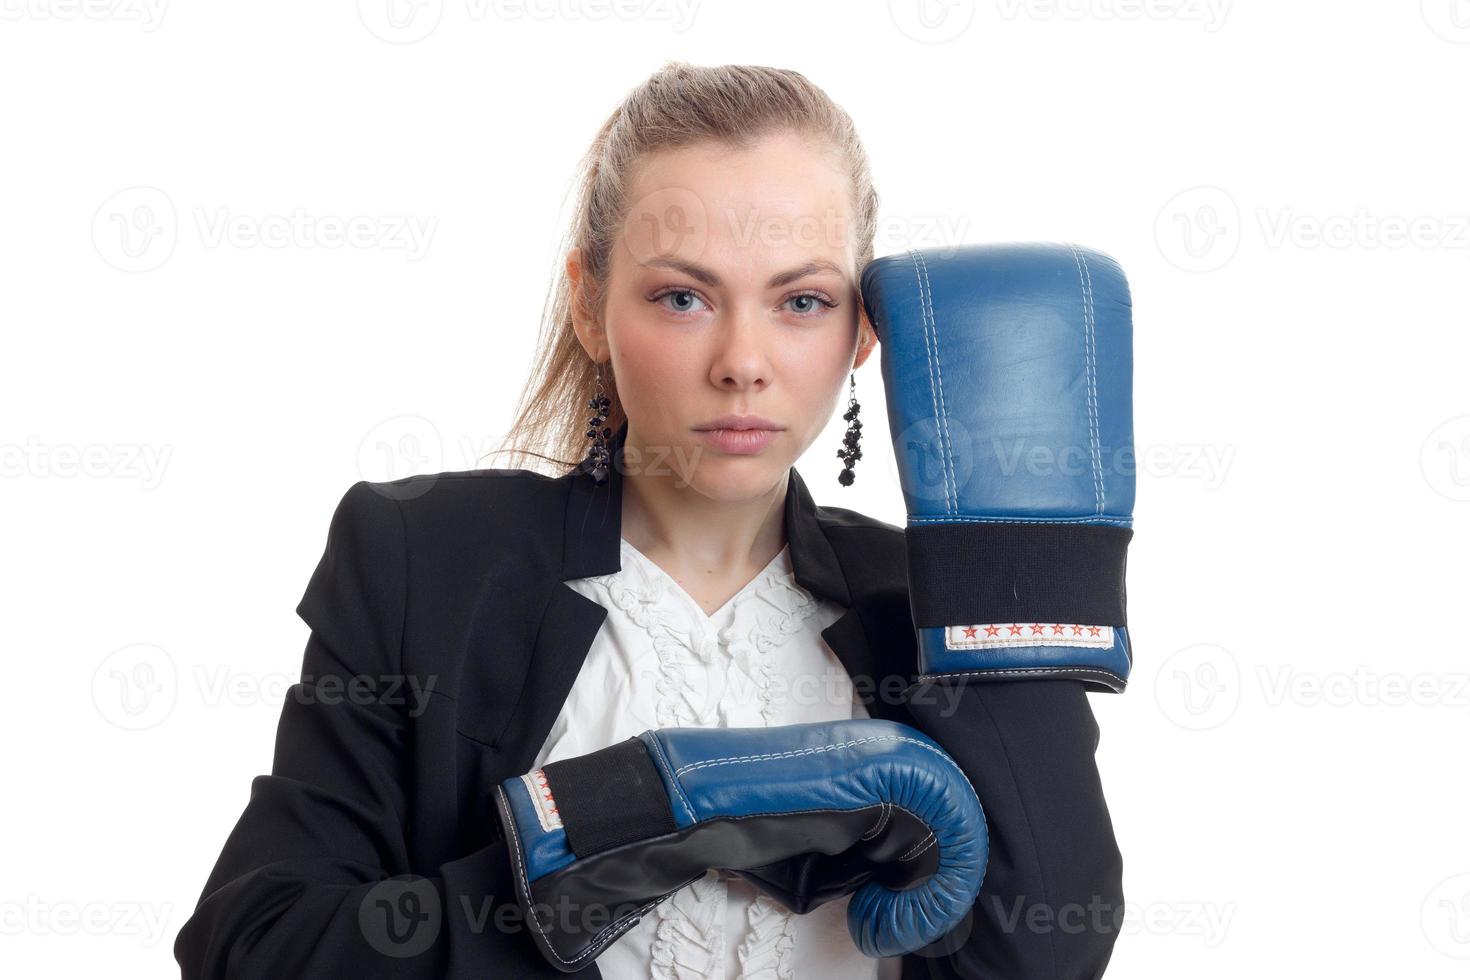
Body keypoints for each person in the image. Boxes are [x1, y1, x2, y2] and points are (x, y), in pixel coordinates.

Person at [174, 61, 1123, 979]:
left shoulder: (928, 600)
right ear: (591, 307)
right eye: (683, 297)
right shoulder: (423, 558)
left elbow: (1043, 953)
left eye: (801, 300)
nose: (742, 360)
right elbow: (256, 948)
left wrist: (1014, 566)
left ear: (863, 331)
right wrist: (622, 819)